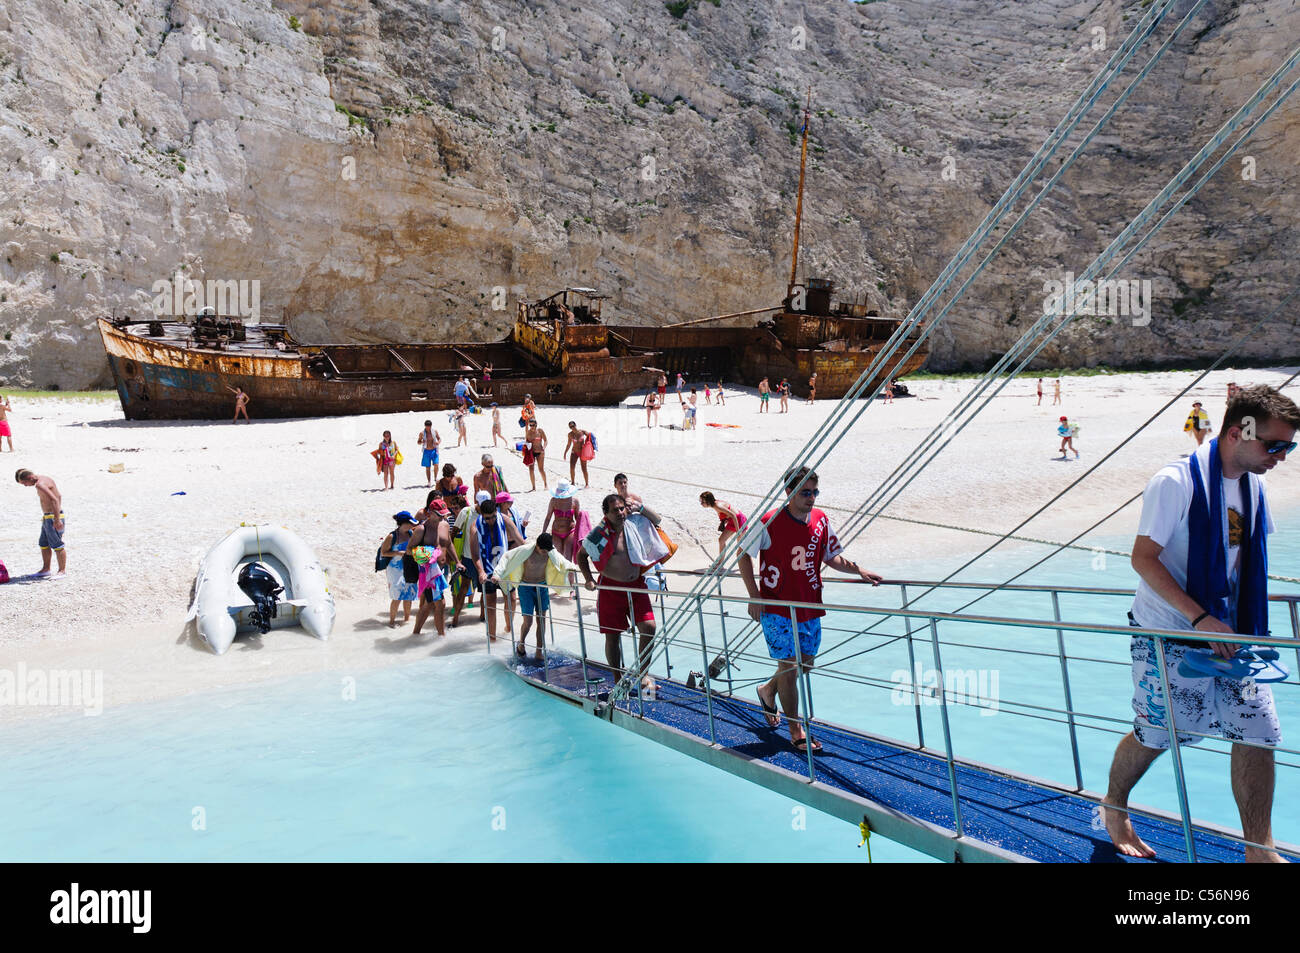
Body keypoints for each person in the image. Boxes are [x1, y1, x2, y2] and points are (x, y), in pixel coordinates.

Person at [1101, 385, 1300, 862]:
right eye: (1274, 445)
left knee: (1257, 732)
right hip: (1168, 631)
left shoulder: (1254, 485)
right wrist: (1200, 617)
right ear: (1237, 433)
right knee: (1160, 733)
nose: (1282, 456)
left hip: (1230, 633)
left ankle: (1259, 849)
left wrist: (1245, 618)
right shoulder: (1175, 482)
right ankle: (1113, 805)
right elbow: (1143, 559)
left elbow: (1243, 559)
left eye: (1289, 448)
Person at [738, 466, 883, 753]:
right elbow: (743, 554)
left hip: (809, 605)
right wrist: (754, 596)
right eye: (805, 492)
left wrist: (859, 570)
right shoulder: (769, 520)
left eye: (815, 492)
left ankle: (767, 690)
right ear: (789, 492)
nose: (812, 498)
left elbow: (831, 557)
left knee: (804, 664)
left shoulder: (820, 520)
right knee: (789, 667)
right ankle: (796, 730)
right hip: (777, 608)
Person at [577, 494, 667, 692]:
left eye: (621, 508)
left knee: (649, 628)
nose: (620, 513)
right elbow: (581, 556)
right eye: (615, 510)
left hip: (636, 586)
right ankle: (618, 678)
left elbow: (657, 520)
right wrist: (589, 579)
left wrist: (640, 507)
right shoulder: (600, 534)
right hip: (611, 589)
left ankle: (642, 675)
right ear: (606, 513)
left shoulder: (634, 524)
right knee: (612, 636)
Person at [497, 532, 579, 662]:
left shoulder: (550, 551)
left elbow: (562, 561)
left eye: (547, 550)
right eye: (543, 551)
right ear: (537, 546)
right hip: (526, 587)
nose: (546, 553)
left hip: (542, 586)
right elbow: (507, 557)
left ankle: (539, 651)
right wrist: (497, 574)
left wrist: (572, 567)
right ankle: (521, 643)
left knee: (541, 620)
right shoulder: (526, 551)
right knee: (528, 621)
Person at [468, 499, 524, 642]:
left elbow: (519, 540)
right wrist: (480, 571)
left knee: (511, 599)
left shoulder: (504, 519)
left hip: (504, 567)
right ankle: (492, 638)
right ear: (482, 515)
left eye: (493, 516)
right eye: (488, 518)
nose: (491, 520)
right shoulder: (475, 527)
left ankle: (508, 629)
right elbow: (475, 554)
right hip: (486, 568)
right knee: (491, 603)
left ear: (496, 512)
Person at [408, 505, 452, 637]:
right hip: (428, 573)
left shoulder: (444, 525)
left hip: (440, 570)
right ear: (431, 513)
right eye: (439, 514)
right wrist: (426, 554)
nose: (443, 517)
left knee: (429, 604)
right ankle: (441, 637)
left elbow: (449, 543)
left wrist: (458, 561)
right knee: (440, 604)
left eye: (444, 514)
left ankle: (415, 634)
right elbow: (409, 550)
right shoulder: (421, 529)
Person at [15, 468, 67, 577]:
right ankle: (46, 569)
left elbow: (54, 499)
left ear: (29, 478)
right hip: (48, 517)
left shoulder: (40, 485)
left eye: (24, 483)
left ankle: (62, 571)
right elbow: (59, 496)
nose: (25, 486)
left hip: (53, 517)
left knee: (57, 544)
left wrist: (57, 519)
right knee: (44, 543)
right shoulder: (45, 478)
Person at [380, 512, 419, 627]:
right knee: (397, 596)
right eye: (410, 523)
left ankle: (406, 620)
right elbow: (384, 553)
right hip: (395, 569)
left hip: (409, 566)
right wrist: (398, 553)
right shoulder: (392, 536)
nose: (412, 525)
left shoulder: (411, 533)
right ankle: (391, 622)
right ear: (403, 523)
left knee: (409, 594)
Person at [542, 481, 588, 562]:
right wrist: (543, 532)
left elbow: (577, 518)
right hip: (556, 532)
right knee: (557, 557)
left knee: (567, 557)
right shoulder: (553, 501)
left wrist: (581, 533)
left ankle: (569, 571)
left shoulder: (575, 501)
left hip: (570, 531)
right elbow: (548, 517)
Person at [700, 491, 746, 557]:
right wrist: (723, 522)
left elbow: (733, 515)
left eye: (703, 502)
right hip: (732, 520)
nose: (701, 504)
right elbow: (726, 514)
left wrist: (738, 531)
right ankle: (720, 561)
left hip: (738, 520)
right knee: (721, 540)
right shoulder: (715, 504)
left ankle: (747, 563)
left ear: (708, 501)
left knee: (740, 545)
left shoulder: (718, 506)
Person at [565, 420, 594, 488]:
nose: (572, 428)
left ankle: (587, 484)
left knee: (584, 468)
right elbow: (569, 444)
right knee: (572, 467)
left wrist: (590, 447)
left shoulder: (582, 432)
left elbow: (591, 437)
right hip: (574, 452)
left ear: (575, 425)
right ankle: (573, 482)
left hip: (582, 452)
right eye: (570, 427)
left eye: (573, 426)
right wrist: (565, 452)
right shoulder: (570, 434)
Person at [417, 420, 441, 486]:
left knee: (436, 464)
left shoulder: (434, 431)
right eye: (427, 427)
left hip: (434, 450)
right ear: (425, 426)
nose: (428, 428)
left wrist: (438, 442)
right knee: (428, 467)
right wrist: (422, 442)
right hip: (426, 451)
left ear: (431, 426)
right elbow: (418, 442)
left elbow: (439, 438)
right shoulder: (422, 433)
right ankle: (429, 481)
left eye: (429, 427)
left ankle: (435, 478)